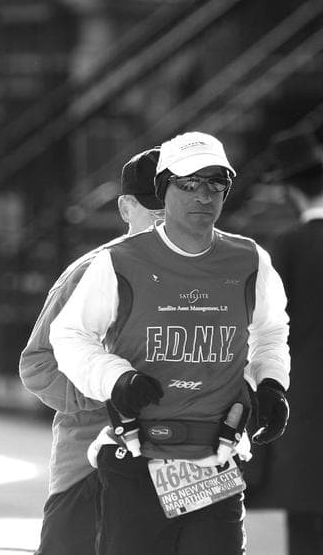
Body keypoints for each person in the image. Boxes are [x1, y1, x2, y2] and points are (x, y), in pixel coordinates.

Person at [49, 130, 291, 555]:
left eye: (216, 183)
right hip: (137, 455)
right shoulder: (117, 261)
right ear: (164, 188)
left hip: (213, 458)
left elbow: (269, 331)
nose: (203, 195)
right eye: (188, 183)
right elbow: (67, 335)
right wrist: (115, 379)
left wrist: (270, 382)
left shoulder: (250, 260)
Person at [19, 146, 164, 555]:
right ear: (124, 208)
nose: (164, 224)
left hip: (180, 462)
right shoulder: (93, 271)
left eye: (172, 211)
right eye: (153, 213)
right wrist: (108, 393)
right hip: (90, 464)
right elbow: (38, 364)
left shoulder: (207, 272)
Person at [245, 127, 323, 554]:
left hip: (307, 411)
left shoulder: (289, 246)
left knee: (306, 529)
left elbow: (267, 328)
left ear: (290, 190)